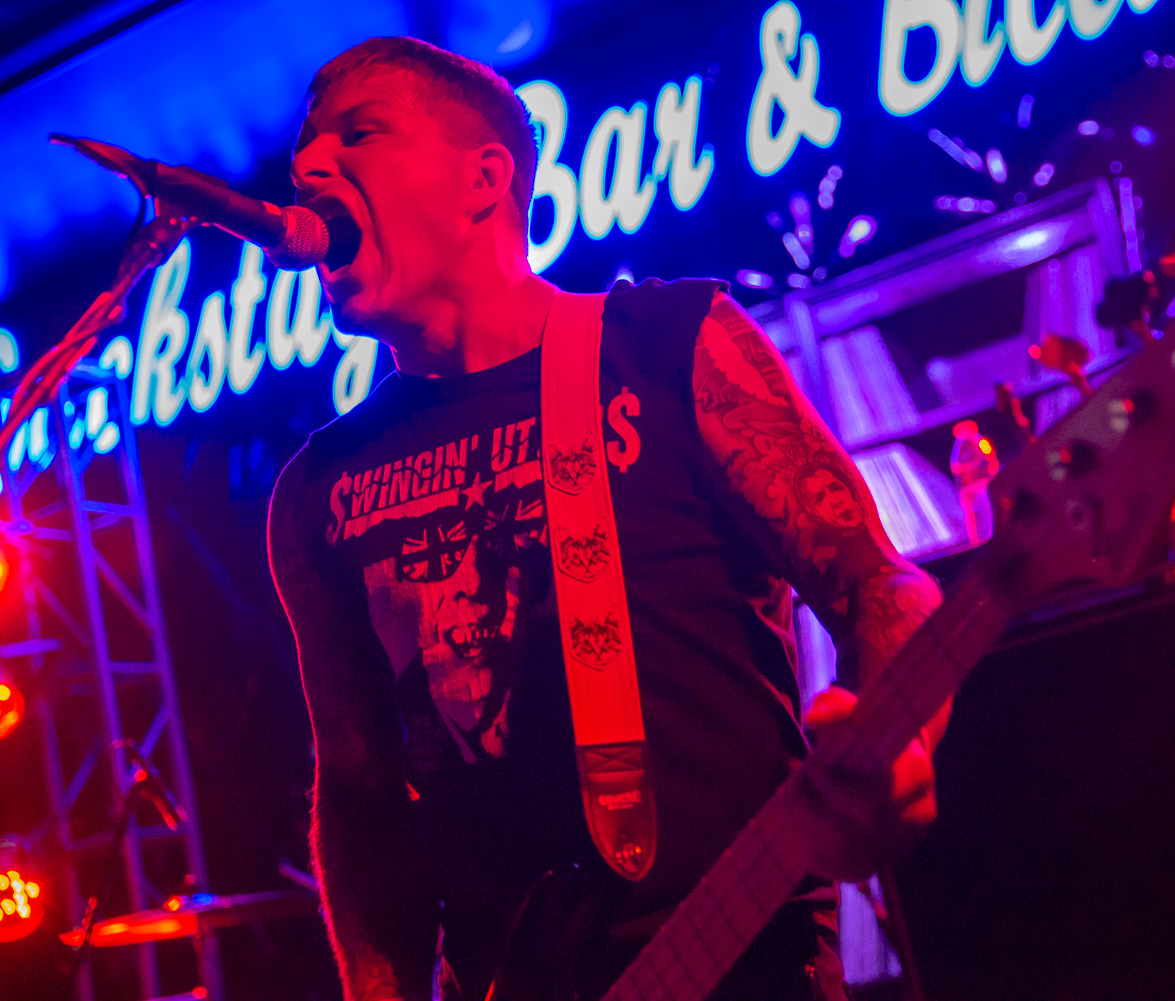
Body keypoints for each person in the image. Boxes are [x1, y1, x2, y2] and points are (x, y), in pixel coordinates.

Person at [267, 36, 944, 1001]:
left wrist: (893, 743)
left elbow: (876, 578)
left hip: (739, 964)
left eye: (358, 133)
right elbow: (360, 793)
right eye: (304, 151)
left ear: (483, 180)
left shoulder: (669, 345)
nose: (307, 166)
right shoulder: (318, 487)